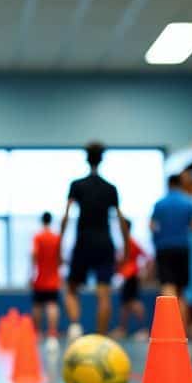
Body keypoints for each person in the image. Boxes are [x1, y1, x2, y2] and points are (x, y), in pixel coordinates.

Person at [60, 142, 128, 338]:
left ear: (86, 158)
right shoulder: (110, 188)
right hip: (105, 244)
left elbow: (66, 215)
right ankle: (101, 337)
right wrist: (126, 247)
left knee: (71, 289)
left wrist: (60, 244)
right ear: (102, 159)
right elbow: (121, 220)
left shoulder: (77, 185)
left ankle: (75, 325)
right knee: (104, 294)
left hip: (83, 242)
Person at [150, 172, 192, 328]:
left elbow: (152, 226)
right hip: (183, 248)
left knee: (167, 286)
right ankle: (183, 329)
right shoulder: (189, 202)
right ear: (180, 184)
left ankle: (171, 328)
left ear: (169, 184)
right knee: (181, 291)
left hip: (164, 248)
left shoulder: (160, 204)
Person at [31, 212, 63, 349]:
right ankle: (52, 333)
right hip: (54, 279)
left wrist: (33, 269)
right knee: (52, 305)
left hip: (40, 277)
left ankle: (37, 333)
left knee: (38, 306)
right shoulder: (56, 237)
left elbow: (34, 254)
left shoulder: (38, 237)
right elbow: (60, 258)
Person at [114, 234, 147, 338]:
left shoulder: (130, 241)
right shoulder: (125, 243)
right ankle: (122, 329)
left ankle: (144, 329)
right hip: (126, 276)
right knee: (125, 304)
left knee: (133, 302)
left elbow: (145, 255)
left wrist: (143, 271)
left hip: (131, 275)